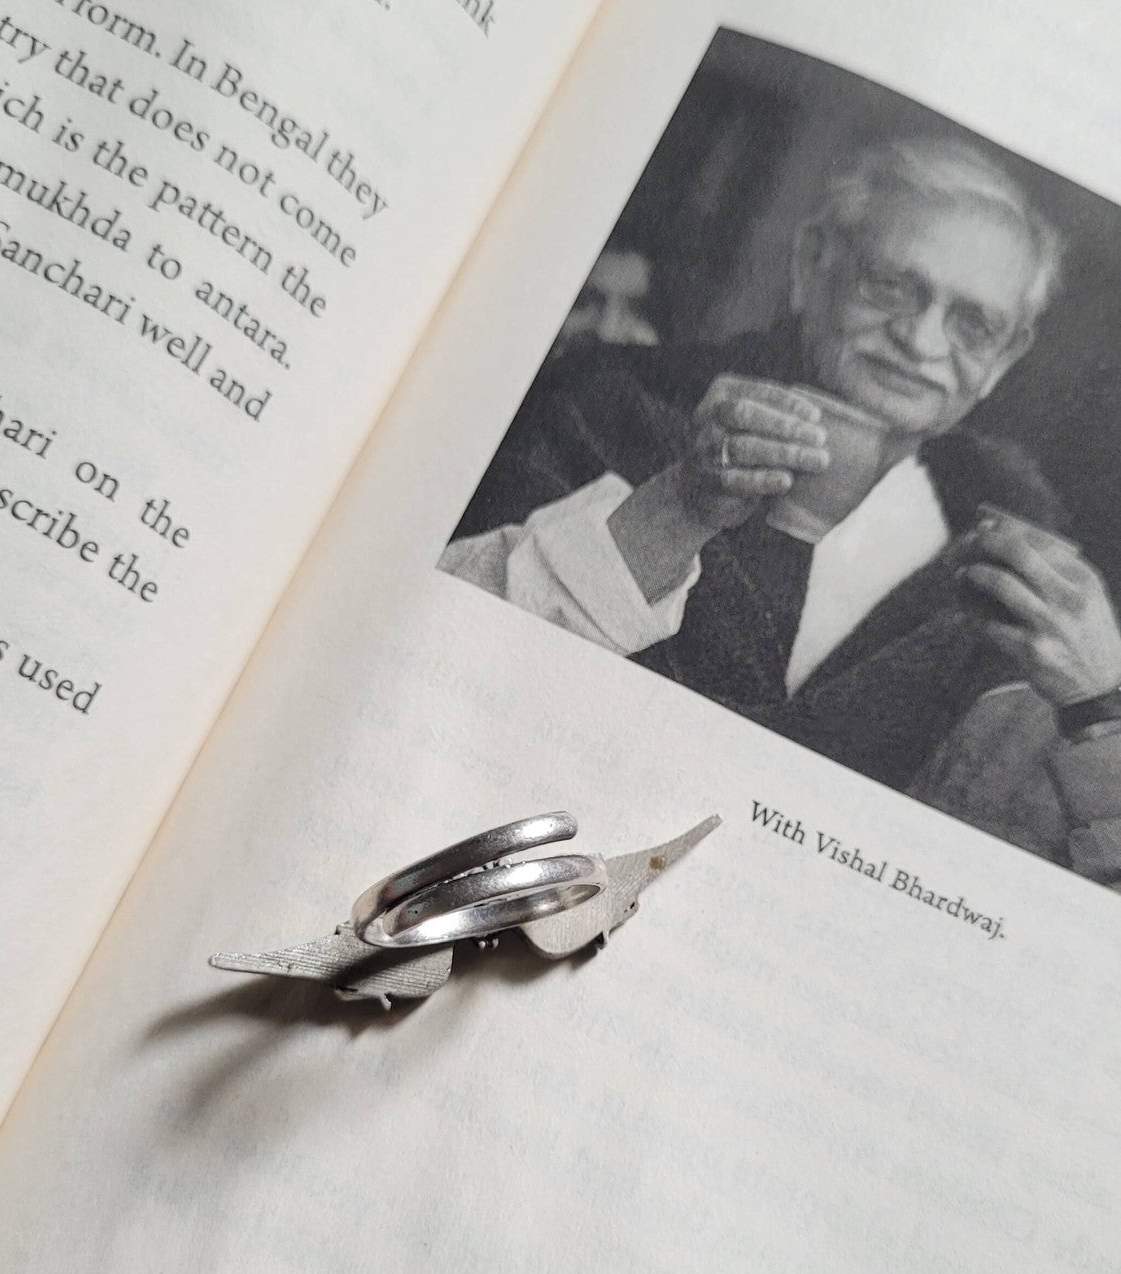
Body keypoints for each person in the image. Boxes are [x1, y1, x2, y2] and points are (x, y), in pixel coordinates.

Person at [442, 135, 1121, 886]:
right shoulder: (604, 403)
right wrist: (676, 507)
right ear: (811, 264)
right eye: (891, 286)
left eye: (973, 324)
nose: (921, 341)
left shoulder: (1016, 555)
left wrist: (1101, 703)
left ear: (1007, 356)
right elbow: (450, 659)